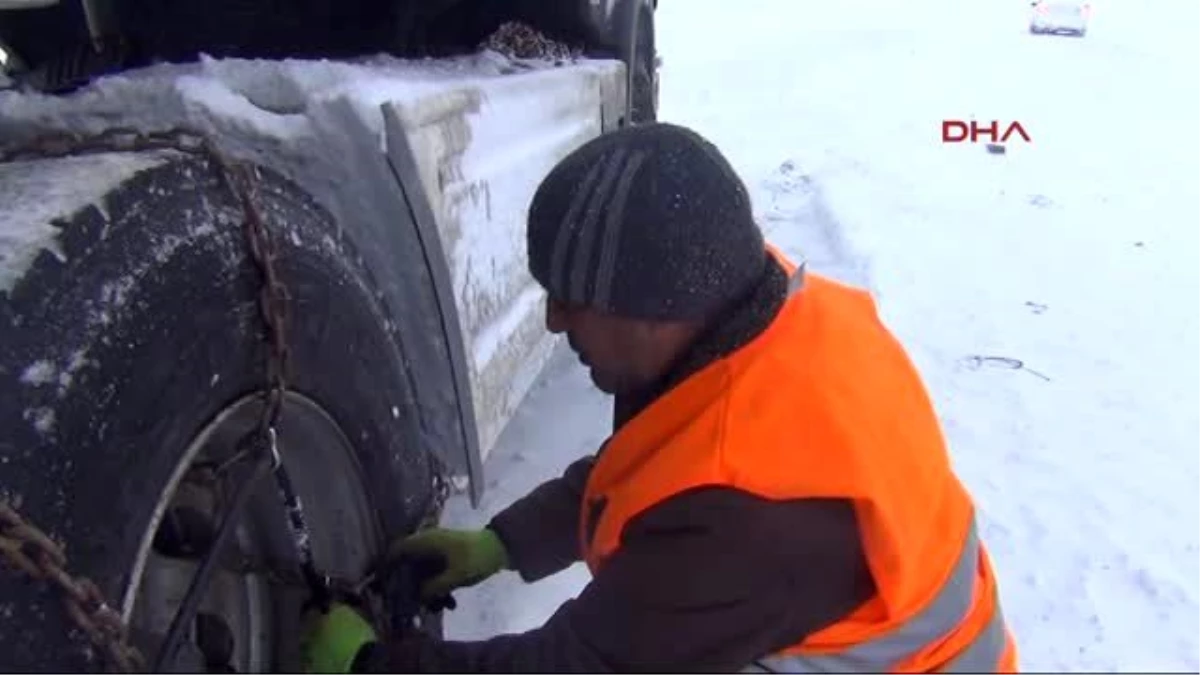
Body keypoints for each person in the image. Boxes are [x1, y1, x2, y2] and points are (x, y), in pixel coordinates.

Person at [299, 122, 1019, 673]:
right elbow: (661, 468)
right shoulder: (759, 319)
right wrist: (506, 542)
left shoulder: (747, 528)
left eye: (574, 298)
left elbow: (576, 666)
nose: (554, 319)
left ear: (656, 309)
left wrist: (368, 666)